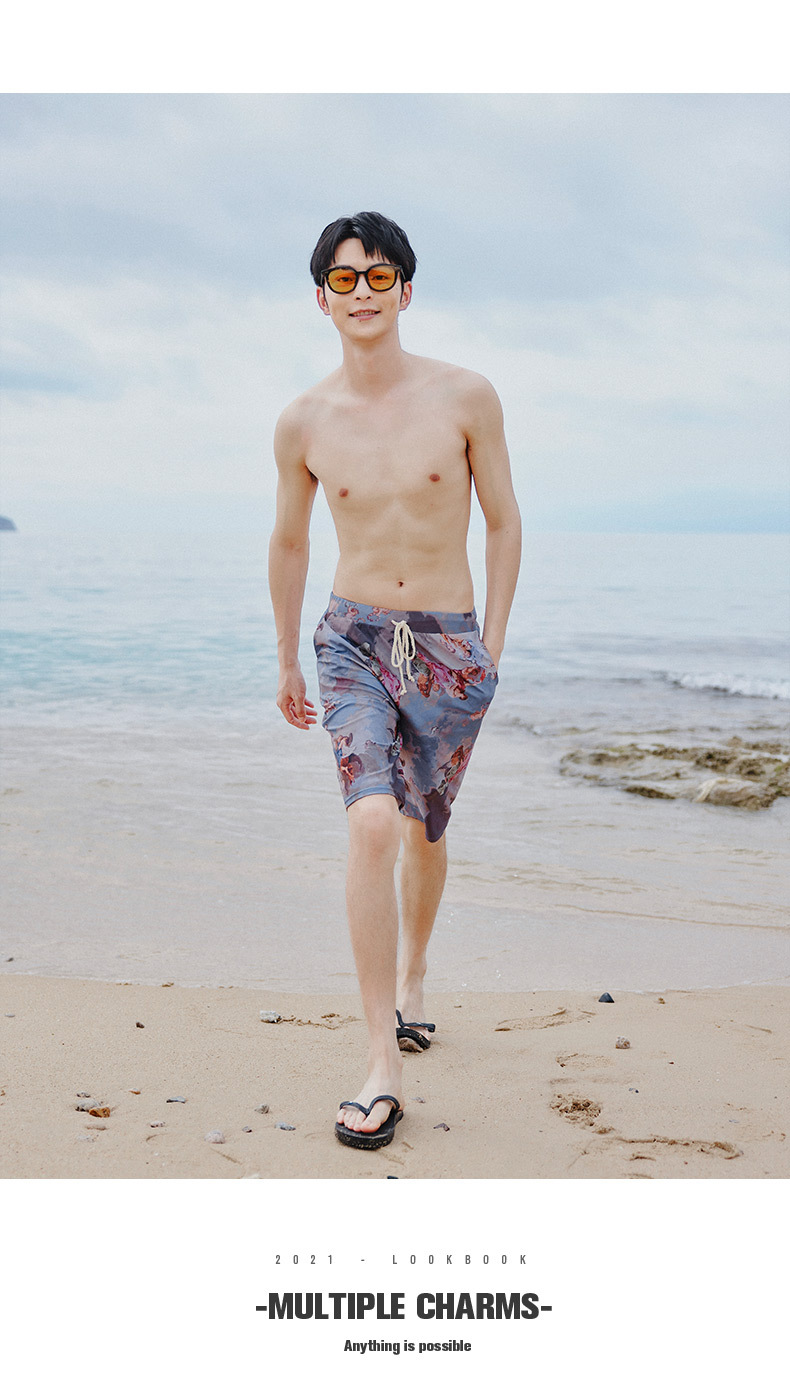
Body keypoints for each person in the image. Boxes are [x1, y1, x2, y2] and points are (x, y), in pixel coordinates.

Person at [268, 212, 521, 1150]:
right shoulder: (304, 420)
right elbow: (290, 541)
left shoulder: (466, 397)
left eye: (379, 276)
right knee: (373, 820)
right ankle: (382, 1061)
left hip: (449, 645)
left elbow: (504, 520)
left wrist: (492, 644)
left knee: (424, 828)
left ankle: (415, 975)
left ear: (406, 290)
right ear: (322, 299)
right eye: (345, 279)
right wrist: (287, 656)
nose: (363, 291)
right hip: (353, 643)